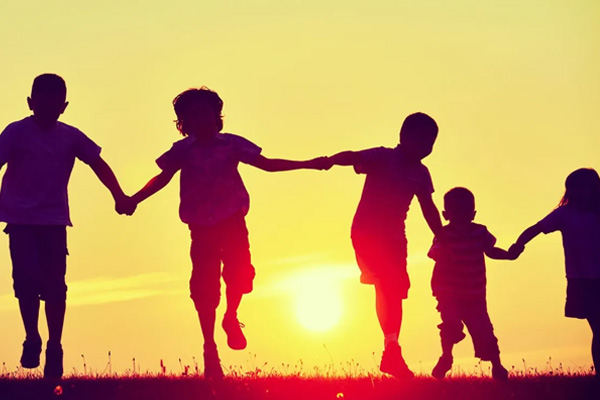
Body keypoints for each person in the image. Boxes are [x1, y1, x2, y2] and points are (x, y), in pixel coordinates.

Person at [124, 87, 330, 380]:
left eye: (206, 113)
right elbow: (162, 178)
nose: (201, 120)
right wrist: (134, 198)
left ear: (217, 116)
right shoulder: (182, 151)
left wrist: (308, 164)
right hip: (201, 229)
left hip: (232, 222)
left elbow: (267, 165)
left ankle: (231, 316)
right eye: (193, 116)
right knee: (205, 289)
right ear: (184, 123)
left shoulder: (231, 145)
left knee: (241, 276)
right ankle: (210, 348)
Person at [0, 74, 131, 379]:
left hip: (54, 221)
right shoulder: (16, 133)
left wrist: (119, 195)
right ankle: (32, 336)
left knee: (56, 287)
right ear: (30, 103)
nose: (47, 109)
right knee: (26, 282)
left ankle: (54, 346)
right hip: (20, 221)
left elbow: (98, 162)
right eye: (40, 103)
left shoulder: (70, 137)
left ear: (64, 106)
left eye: (54, 104)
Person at [327, 112, 442, 378]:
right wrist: (329, 161)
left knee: (394, 291)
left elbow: (429, 208)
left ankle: (391, 349)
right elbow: (354, 156)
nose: (426, 147)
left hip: (394, 238)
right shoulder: (383, 156)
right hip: (367, 232)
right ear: (404, 137)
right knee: (385, 284)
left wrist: (442, 236)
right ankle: (391, 352)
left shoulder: (421, 173)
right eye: (422, 140)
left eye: (431, 143)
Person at [510, 168, 600, 378]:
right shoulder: (564, 214)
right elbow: (536, 229)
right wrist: (518, 245)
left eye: (584, 188)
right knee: (598, 328)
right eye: (573, 188)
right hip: (582, 281)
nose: (579, 193)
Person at [428, 187, 512, 380]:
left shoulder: (479, 232)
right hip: (449, 292)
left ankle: (497, 366)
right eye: (457, 212)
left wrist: (507, 254)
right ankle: (446, 357)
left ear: (473, 213)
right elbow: (435, 251)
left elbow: (490, 250)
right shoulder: (443, 235)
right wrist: (443, 253)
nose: (462, 216)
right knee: (450, 324)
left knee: (485, 331)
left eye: (466, 211)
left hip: (474, 295)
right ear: (446, 214)